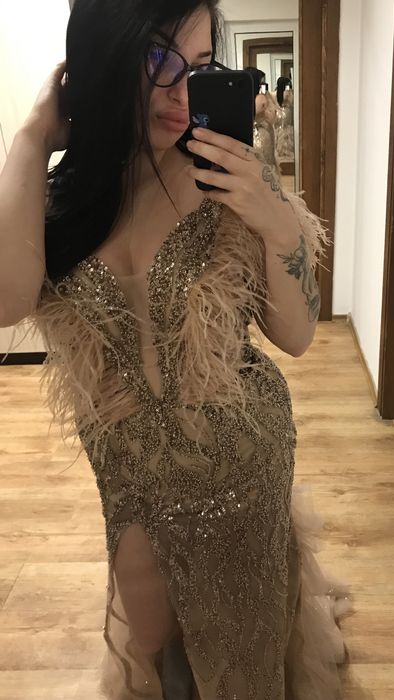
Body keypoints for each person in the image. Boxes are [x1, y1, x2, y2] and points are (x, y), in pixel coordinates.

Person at [0, 1, 351, 698]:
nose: (184, 91)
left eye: (201, 65)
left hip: (240, 462)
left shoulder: (229, 177)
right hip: (128, 476)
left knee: (245, 658)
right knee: (158, 651)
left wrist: (275, 221)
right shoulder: (61, 197)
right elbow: (5, 301)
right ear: (105, 58)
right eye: (160, 59)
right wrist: (33, 135)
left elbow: (297, 335)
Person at [245, 67, 280, 170]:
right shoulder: (261, 98)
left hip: (249, 135)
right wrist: (267, 98)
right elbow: (272, 118)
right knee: (265, 166)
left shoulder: (242, 96)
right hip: (261, 135)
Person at [275, 77, 295, 162]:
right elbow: (290, 102)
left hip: (281, 114)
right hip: (287, 113)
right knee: (287, 131)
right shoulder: (288, 93)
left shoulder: (277, 93)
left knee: (281, 131)